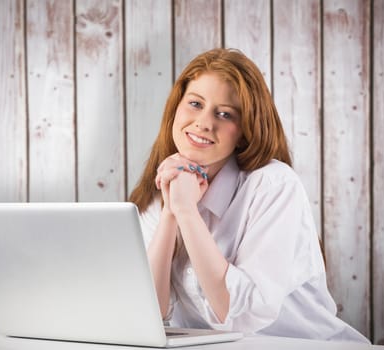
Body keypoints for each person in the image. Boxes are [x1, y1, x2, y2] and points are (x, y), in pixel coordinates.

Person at [129, 48, 369, 342]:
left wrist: (188, 214)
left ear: (244, 130)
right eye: (195, 104)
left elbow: (239, 315)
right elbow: (152, 313)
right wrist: (170, 211)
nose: (204, 122)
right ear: (175, 108)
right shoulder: (164, 186)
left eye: (224, 114)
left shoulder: (273, 185)